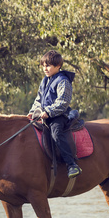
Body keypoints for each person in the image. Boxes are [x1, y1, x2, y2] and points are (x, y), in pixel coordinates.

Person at [27, 50, 82, 178]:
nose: (45, 68)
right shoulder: (44, 81)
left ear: (58, 66)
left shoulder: (63, 81)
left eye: (49, 66)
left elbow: (63, 102)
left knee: (56, 133)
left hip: (59, 115)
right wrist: (32, 112)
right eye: (44, 66)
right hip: (44, 115)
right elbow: (39, 99)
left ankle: (72, 164)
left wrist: (49, 112)